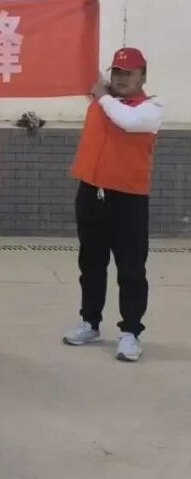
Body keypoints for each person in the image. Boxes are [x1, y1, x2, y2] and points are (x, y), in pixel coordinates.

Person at [63, 48, 162, 362]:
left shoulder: (151, 109)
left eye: (128, 73)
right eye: (116, 72)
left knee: (131, 269)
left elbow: (127, 121)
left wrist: (102, 96)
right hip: (92, 193)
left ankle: (131, 332)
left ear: (142, 76)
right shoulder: (100, 102)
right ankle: (90, 322)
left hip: (129, 200)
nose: (121, 78)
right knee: (91, 264)